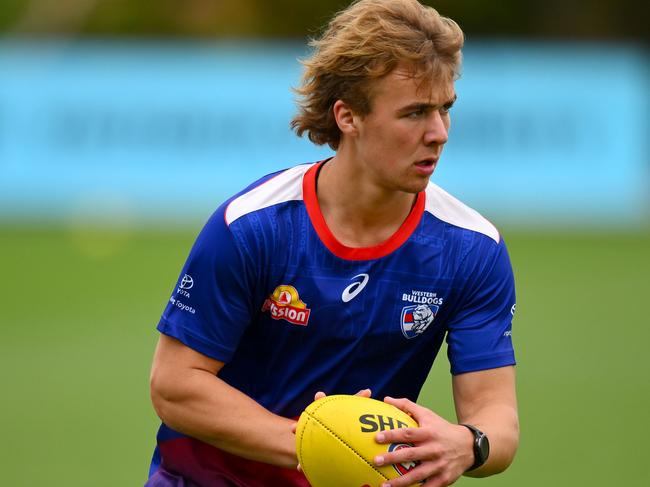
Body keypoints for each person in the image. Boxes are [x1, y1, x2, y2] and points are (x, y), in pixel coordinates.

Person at [146, 0, 519, 486]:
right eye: (415, 113)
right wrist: (317, 442)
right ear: (348, 116)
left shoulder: (472, 249)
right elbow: (175, 386)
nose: (439, 133)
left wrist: (468, 444)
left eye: (445, 109)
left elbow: (498, 420)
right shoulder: (254, 226)